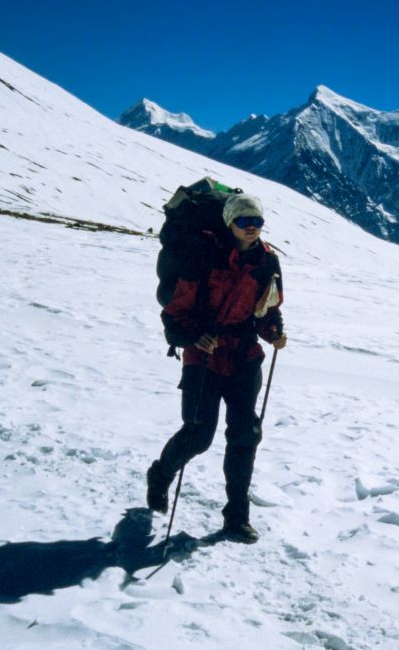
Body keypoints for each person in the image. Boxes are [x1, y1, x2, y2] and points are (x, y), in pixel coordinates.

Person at [146, 193, 286, 543]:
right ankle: (161, 475)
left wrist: (273, 333)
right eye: (243, 221)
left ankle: (236, 516)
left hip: (243, 355)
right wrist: (194, 336)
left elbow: (267, 308)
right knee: (198, 434)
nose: (251, 227)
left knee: (244, 435)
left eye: (257, 221)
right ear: (229, 222)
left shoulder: (267, 261)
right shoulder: (203, 254)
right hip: (203, 354)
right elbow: (176, 311)